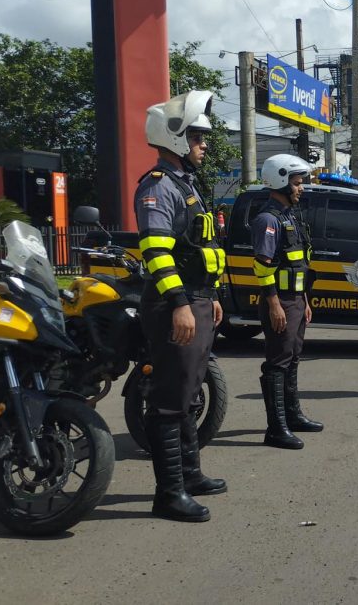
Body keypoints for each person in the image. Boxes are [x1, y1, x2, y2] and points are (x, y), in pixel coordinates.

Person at [134, 89, 227, 523]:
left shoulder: (185, 184)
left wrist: (212, 297)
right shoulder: (158, 188)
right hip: (178, 304)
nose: (204, 144)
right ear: (174, 138)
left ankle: (189, 475)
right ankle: (168, 494)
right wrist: (180, 304)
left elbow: (198, 247)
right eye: (197, 137)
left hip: (198, 300)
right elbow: (156, 252)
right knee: (171, 401)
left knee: (189, 395)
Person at [250, 153, 323, 450]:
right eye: (297, 183)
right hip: (278, 302)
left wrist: (304, 300)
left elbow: (299, 266)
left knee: (292, 358)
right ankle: (276, 428)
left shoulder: (289, 216)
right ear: (280, 181)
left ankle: (292, 416)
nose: (301, 188)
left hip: (295, 301)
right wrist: (274, 304)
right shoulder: (268, 219)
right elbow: (262, 266)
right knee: (277, 363)